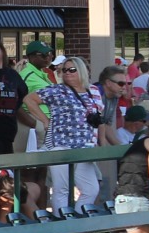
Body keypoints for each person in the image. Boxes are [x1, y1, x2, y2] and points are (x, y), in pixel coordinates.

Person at [36, 57, 104, 210]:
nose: (67, 73)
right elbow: (29, 100)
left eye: (72, 69)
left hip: (84, 147)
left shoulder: (92, 91)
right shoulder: (57, 90)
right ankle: (63, 227)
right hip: (61, 145)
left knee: (91, 189)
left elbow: (99, 118)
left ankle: (76, 221)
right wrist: (45, 120)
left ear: (81, 71)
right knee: (62, 190)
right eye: (64, 70)